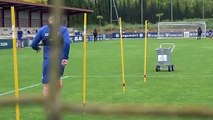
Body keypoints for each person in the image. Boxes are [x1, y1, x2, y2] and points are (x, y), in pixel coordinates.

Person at [31, 16, 71, 96]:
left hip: (48, 60)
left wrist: (37, 48)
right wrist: (65, 57)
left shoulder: (42, 30)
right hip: (60, 60)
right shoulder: (63, 30)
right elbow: (67, 43)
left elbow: (33, 44)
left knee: (46, 84)